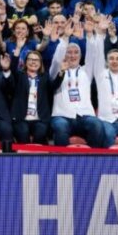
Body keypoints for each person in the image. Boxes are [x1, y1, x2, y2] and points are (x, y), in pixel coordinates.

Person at [47, 18, 106, 148]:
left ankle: (93, 158)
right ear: (65, 55)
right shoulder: (57, 70)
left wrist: (89, 35)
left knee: (97, 125)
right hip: (62, 115)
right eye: (69, 52)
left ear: (80, 55)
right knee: (60, 127)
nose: (72, 55)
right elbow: (56, 59)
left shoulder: (86, 71)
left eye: (76, 53)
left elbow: (92, 55)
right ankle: (63, 159)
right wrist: (65, 39)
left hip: (85, 115)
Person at [10, 49, 53, 144]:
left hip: (39, 118)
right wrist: (17, 51)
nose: (33, 62)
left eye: (36, 60)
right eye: (30, 59)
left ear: (40, 63)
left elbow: (53, 87)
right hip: (21, 118)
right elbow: (12, 69)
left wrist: (61, 72)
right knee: (23, 133)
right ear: (25, 62)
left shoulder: (45, 77)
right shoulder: (19, 76)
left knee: (40, 133)